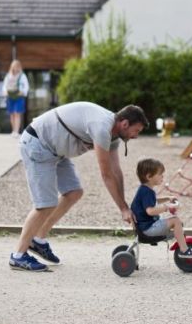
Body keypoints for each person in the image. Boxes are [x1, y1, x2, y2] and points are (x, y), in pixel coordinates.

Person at [10, 102, 149, 272]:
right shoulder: (101, 127)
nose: (136, 136)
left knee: (74, 192)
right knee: (45, 204)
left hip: (56, 151)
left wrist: (126, 206)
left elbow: (116, 172)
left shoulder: (113, 136)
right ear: (125, 123)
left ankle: (37, 240)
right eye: (136, 131)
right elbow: (106, 174)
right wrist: (122, 209)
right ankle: (18, 256)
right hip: (38, 144)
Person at [130, 158, 192, 259]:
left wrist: (168, 198)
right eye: (160, 174)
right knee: (176, 221)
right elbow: (150, 211)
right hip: (148, 229)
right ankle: (184, 250)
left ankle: (182, 243)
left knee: (176, 223)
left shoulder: (144, 189)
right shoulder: (147, 192)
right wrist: (166, 207)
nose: (162, 176)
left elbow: (153, 201)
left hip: (145, 227)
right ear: (149, 176)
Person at [3, 60, 29, 137]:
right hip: (10, 96)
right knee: (12, 114)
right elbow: (5, 86)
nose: (15, 68)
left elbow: (26, 86)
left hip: (19, 97)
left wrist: (23, 92)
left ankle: (16, 131)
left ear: (19, 67)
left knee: (17, 113)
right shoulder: (8, 76)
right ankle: (13, 130)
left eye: (17, 66)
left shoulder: (22, 76)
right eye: (14, 66)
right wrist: (5, 92)